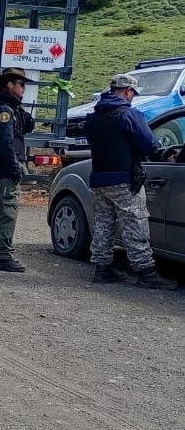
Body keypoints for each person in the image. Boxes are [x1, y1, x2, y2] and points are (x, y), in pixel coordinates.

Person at [84, 74, 177, 289]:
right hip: (124, 179)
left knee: (104, 224)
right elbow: (148, 144)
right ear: (128, 92)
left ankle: (102, 268)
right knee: (135, 223)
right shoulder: (128, 114)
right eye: (133, 94)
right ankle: (145, 272)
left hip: (99, 179)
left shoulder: (94, 117)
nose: (133, 98)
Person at [0, 67, 35, 273]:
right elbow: (6, 144)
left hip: (4, 163)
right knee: (9, 210)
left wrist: (21, 109)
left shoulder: (9, 108)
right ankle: (3, 257)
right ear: (9, 85)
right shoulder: (4, 111)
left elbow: (27, 127)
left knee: (4, 208)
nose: (24, 88)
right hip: (6, 163)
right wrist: (14, 168)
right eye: (20, 84)